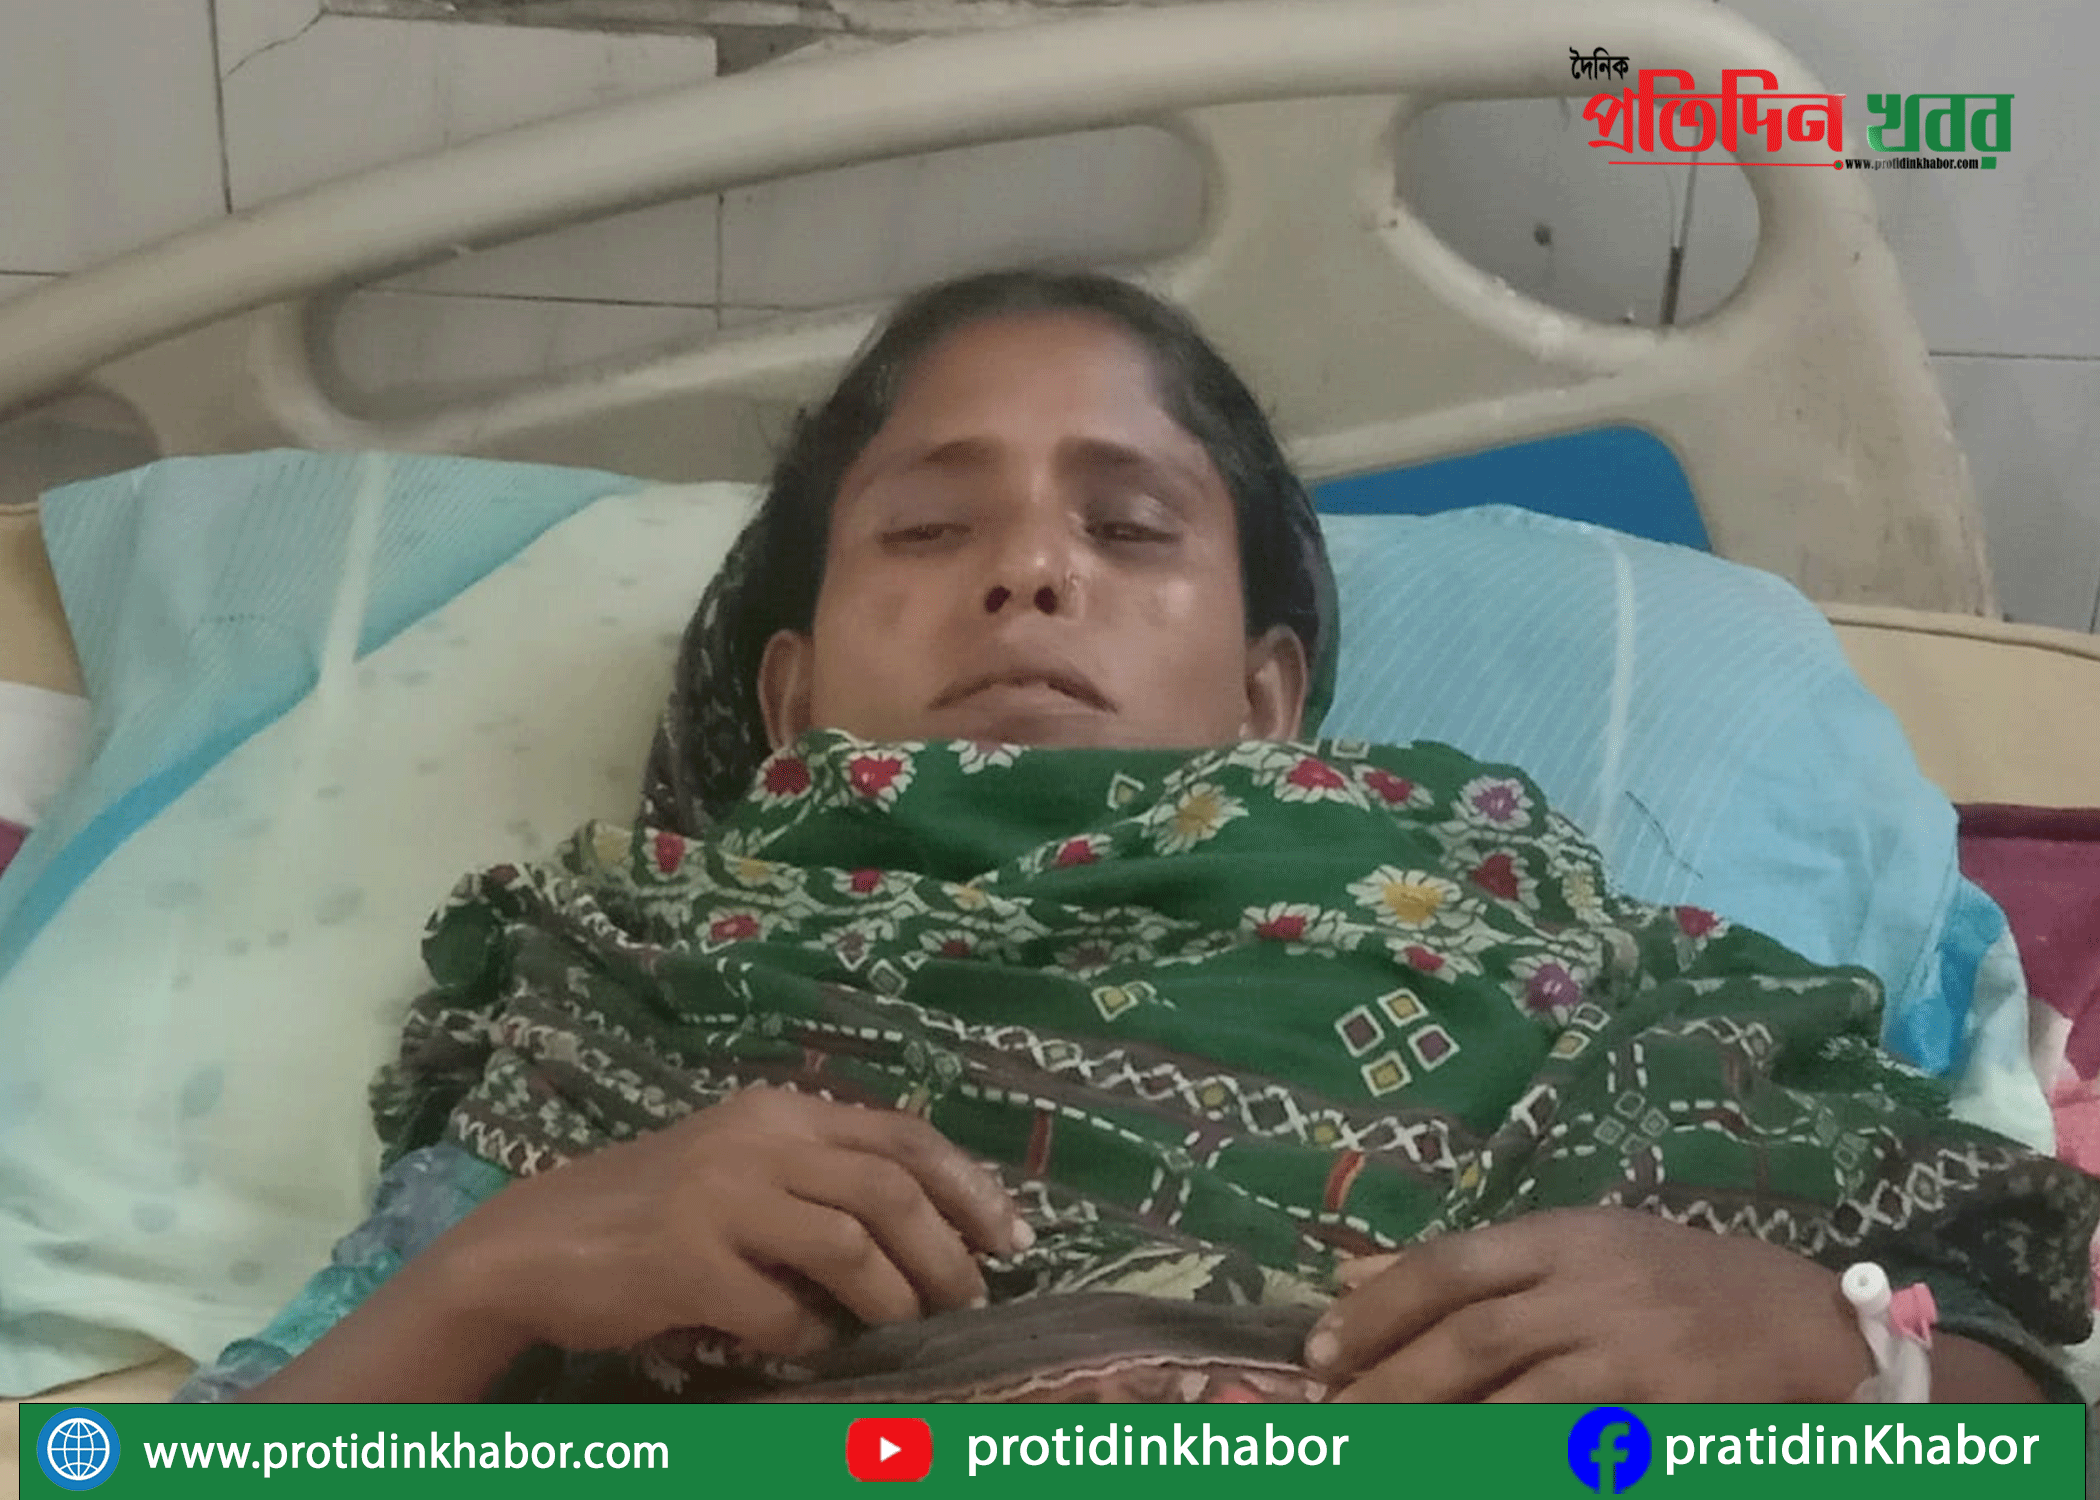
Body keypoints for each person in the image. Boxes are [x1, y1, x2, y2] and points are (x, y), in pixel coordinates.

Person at [179, 270, 2096, 1406]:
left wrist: (1836, 1352)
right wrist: (493, 1277)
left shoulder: (1548, 941)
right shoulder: (625, 1009)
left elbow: (2025, 1415)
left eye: (1128, 527)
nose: (1028, 571)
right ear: (791, 698)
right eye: (928, 528)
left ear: (1269, 697)